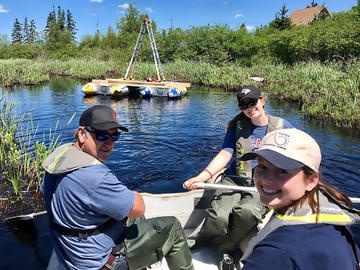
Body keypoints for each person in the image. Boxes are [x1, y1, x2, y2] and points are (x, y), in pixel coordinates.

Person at [41, 105, 193, 270]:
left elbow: (45, 191)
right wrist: (132, 194)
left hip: (71, 254)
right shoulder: (94, 176)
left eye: (114, 136)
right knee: (172, 227)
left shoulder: (62, 156)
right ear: (81, 134)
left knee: (133, 219)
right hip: (101, 263)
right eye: (101, 135)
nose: (109, 143)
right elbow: (139, 208)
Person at [183, 85, 293, 253]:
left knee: (247, 212)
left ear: (262, 101)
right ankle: (203, 238)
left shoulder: (283, 126)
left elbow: (298, 156)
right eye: (244, 105)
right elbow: (225, 153)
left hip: (264, 184)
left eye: (252, 102)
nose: (249, 108)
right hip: (235, 179)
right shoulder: (238, 127)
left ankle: (226, 246)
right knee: (219, 215)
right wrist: (201, 177)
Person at [240, 128, 360, 270]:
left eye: (282, 170)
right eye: (262, 166)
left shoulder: (275, 253)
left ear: (311, 181)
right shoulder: (333, 218)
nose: (265, 180)